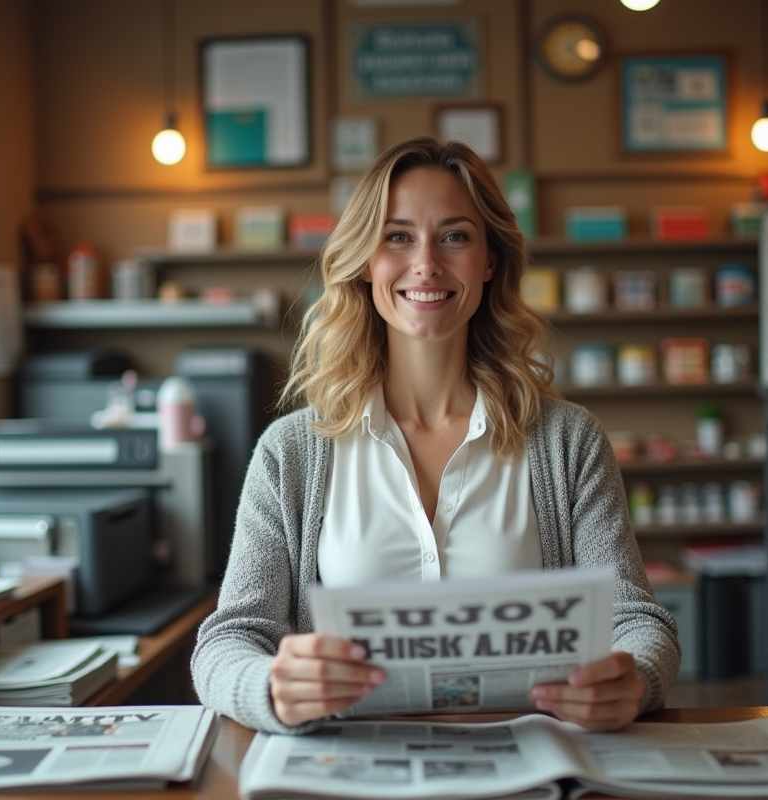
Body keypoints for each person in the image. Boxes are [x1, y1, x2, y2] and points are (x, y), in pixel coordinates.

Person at [191, 135, 680, 734]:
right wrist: (269, 687)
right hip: (352, 770)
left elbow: (637, 620)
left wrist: (635, 678)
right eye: (397, 237)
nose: (426, 263)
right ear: (366, 261)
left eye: (455, 236)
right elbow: (230, 639)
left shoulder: (569, 443)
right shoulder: (292, 452)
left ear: (490, 260)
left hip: (530, 764)